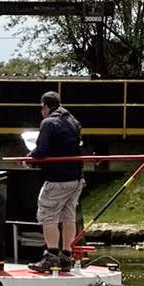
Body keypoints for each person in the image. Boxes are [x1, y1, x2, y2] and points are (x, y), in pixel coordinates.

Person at [27, 91, 84, 274]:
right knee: (68, 215)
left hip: (58, 178)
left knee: (47, 213)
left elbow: (42, 150)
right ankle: (66, 256)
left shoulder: (49, 122)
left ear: (45, 106)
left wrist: (29, 158)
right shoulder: (73, 121)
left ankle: (51, 256)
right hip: (76, 177)